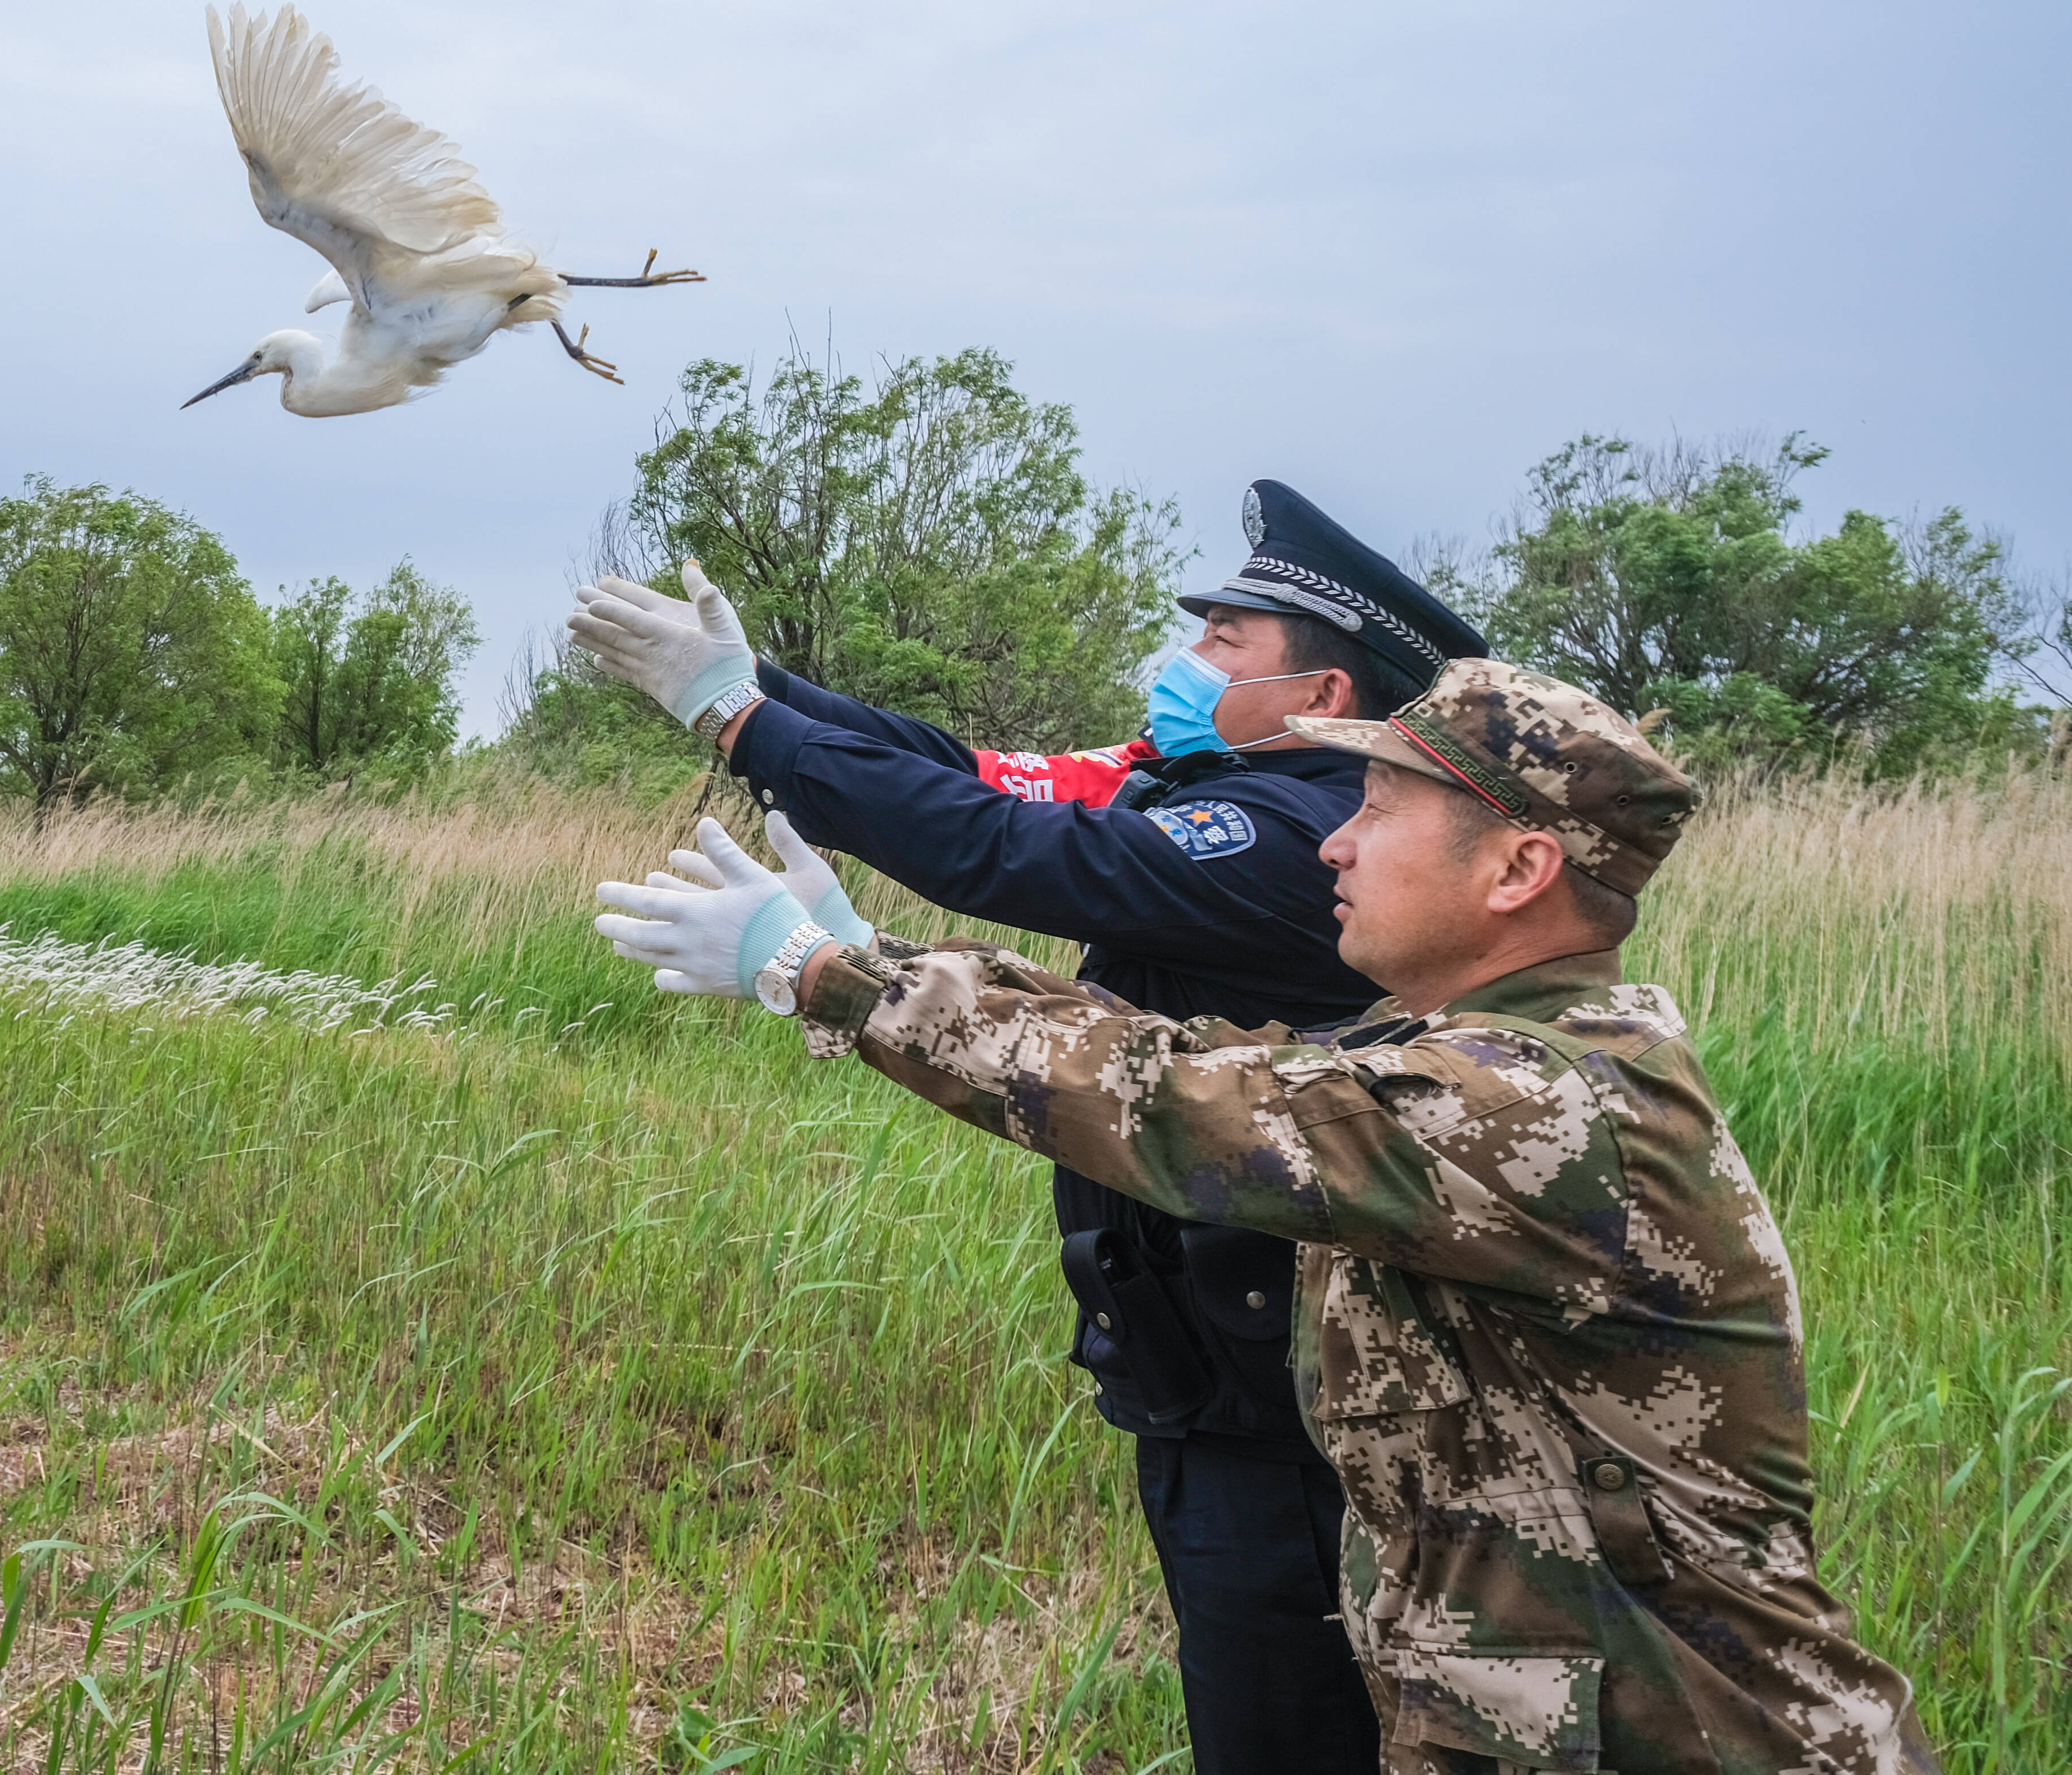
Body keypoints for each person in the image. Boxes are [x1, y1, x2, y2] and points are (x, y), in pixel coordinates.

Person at [592, 661, 1938, 1775]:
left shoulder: (1544, 1104)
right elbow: (1208, 1060)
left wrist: (831, 979)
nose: (1335, 842)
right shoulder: (1463, 1054)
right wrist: (876, 961)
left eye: (1378, 810)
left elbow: (1187, 1112)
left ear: (1520, 865)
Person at [570, 482, 1484, 1774]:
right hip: (1207, 1352)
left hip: (1279, 1383)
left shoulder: (1293, 834)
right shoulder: (1207, 785)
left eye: (1228, 639)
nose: (1188, 657)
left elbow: (1008, 853)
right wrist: (756, 686)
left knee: (1287, 1721)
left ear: (1323, 700)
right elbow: (974, 776)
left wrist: (740, 719)